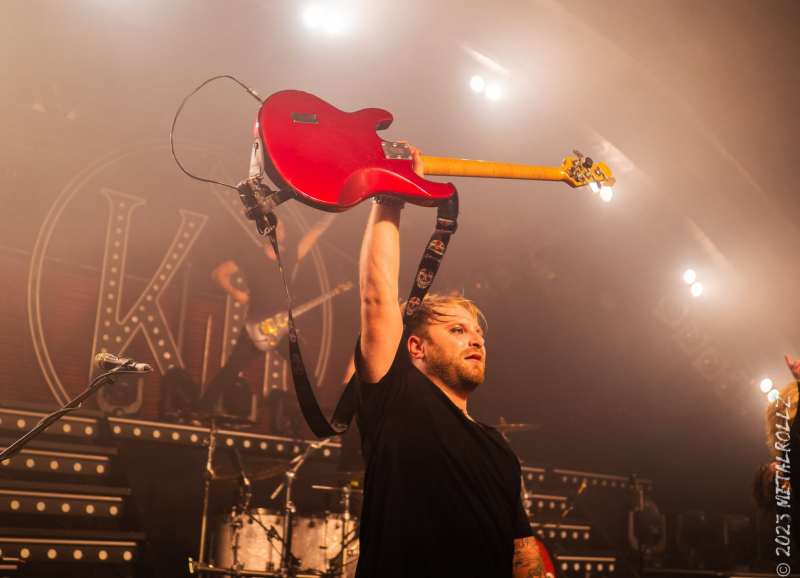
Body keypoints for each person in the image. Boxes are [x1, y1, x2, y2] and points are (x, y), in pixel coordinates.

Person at [353, 146, 544, 577]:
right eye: (457, 330)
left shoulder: (500, 451)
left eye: (477, 333)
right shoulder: (399, 399)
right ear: (416, 348)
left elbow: (523, 551)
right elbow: (377, 295)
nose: (475, 339)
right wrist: (391, 191)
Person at [196, 213, 335, 417]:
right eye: (278, 228)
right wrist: (237, 293)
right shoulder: (250, 256)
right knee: (232, 368)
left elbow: (313, 235)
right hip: (256, 327)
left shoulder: (289, 256)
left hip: (281, 328)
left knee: (303, 364)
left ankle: (313, 410)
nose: (282, 232)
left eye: (283, 229)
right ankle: (201, 409)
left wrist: (330, 217)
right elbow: (218, 273)